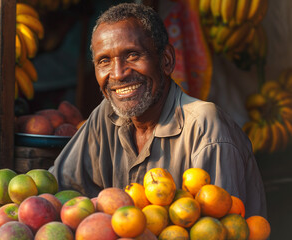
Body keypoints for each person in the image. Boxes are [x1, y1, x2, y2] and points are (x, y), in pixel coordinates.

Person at [49, 2, 267, 218]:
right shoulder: (106, 116)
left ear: (166, 61)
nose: (118, 74)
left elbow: (216, 230)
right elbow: (56, 191)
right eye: (104, 61)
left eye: (133, 55)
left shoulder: (205, 126)